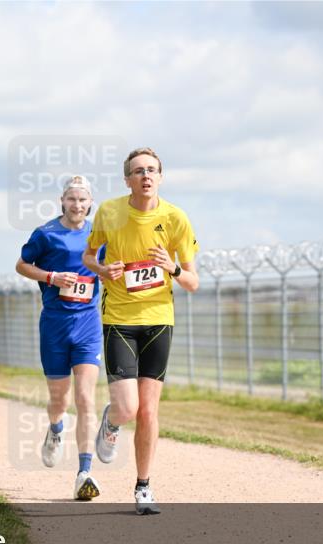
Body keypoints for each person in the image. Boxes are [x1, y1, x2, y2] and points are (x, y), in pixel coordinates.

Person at [82, 148, 199, 515]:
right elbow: (88, 256)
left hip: (159, 319)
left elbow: (193, 281)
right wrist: (103, 270)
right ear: (127, 180)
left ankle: (143, 487)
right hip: (118, 318)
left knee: (148, 411)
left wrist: (173, 269)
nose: (146, 175)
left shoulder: (176, 218)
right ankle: (112, 420)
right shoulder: (110, 212)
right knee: (128, 408)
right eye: (138, 171)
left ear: (160, 177)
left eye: (152, 170)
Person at [16, 175, 103, 501]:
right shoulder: (45, 234)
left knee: (85, 398)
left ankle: (84, 472)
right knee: (59, 401)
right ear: (62, 201)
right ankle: (55, 431)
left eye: (83, 199)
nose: (77, 205)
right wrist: (51, 276)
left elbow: (109, 267)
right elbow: (22, 265)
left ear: (90, 202)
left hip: (88, 326)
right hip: (54, 324)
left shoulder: (100, 234)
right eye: (72, 199)